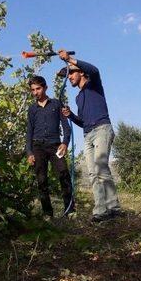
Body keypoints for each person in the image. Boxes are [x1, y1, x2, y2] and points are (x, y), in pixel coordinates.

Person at [58, 50, 122, 222]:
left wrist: (70, 60)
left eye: (71, 73)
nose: (69, 77)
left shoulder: (94, 84)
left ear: (81, 73)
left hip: (102, 129)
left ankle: (114, 208)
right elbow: (83, 122)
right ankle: (101, 210)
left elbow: (94, 69)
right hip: (88, 134)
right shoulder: (78, 97)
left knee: (101, 167)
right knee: (93, 173)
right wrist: (70, 115)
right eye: (68, 75)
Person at [26, 75, 74, 217]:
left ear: (45, 88)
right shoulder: (32, 109)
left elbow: (66, 126)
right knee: (41, 180)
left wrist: (65, 142)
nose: (36, 92)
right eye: (33, 90)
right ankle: (47, 213)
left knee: (64, 175)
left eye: (38, 89)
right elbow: (29, 131)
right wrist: (29, 152)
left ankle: (70, 211)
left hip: (55, 146)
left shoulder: (56, 104)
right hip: (38, 147)